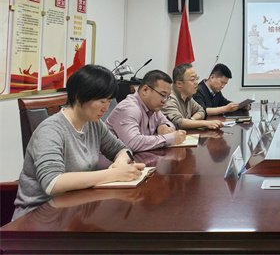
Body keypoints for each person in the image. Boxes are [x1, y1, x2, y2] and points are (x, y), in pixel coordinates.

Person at [13, 65, 145, 220]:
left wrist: (120, 163)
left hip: (76, 210)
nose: (106, 108)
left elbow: (122, 149)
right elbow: (52, 183)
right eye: (102, 101)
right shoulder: (51, 130)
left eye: (109, 101)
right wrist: (113, 174)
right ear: (78, 97)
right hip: (41, 216)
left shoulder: (94, 124)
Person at [106, 70, 187, 152]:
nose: (165, 101)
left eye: (167, 97)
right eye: (163, 95)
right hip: (113, 159)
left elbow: (169, 124)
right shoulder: (129, 108)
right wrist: (168, 139)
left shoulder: (153, 108)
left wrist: (164, 126)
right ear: (145, 90)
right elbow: (132, 143)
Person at [162, 64, 224, 130]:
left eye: (196, 79)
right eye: (192, 80)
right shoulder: (169, 98)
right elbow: (178, 122)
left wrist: (192, 120)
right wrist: (206, 123)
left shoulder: (188, 96)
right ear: (179, 83)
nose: (196, 82)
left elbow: (201, 110)